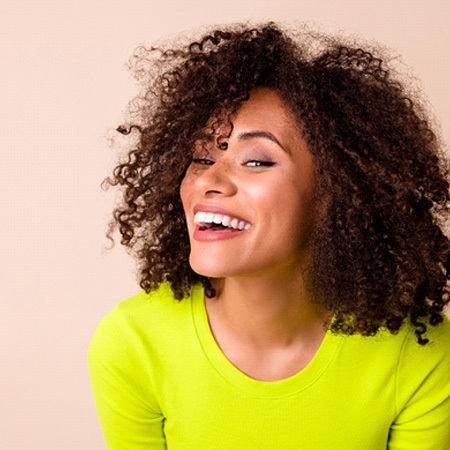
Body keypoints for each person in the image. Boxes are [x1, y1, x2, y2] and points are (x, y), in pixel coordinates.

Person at [88, 22, 450, 449]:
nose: (210, 180)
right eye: (202, 157)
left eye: (256, 161)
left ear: (336, 192)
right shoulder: (133, 344)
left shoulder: (418, 355)